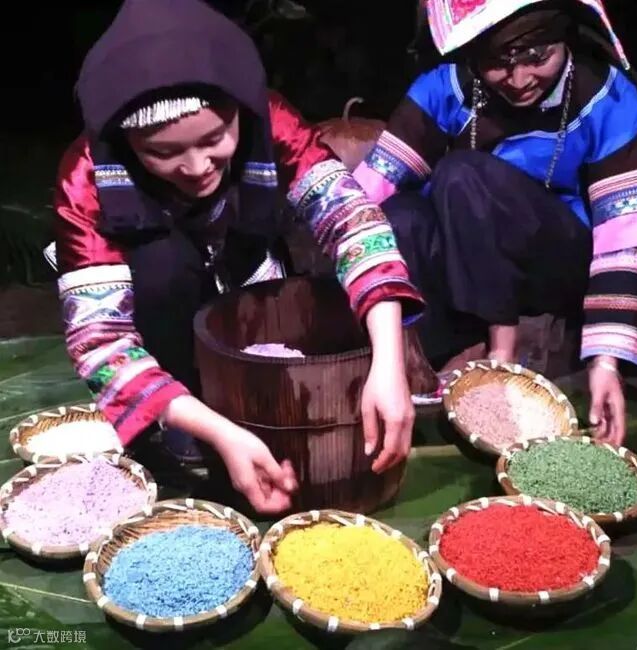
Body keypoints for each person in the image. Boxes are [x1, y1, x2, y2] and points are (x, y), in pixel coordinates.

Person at [52, 0, 425, 514]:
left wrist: (388, 361)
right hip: (159, 307)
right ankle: (184, 408)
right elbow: (101, 341)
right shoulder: (88, 175)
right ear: (125, 139)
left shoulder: (267, 120)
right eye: (162, 152)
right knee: (162, 265)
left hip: (246, 278)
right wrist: (220, 432)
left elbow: (352, 220)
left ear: (238, 111)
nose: (196, 167)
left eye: (213, 139)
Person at [353, 0, 637, 446]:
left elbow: (623, 237)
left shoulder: (608, 98)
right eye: (498, 63)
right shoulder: (448, 87)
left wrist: (605, 363)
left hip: (556, 261)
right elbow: (370, 191)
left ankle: (501, 359)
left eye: (537, 57)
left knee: (462, 174)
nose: (520, 79)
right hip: (473, 260)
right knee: (400, 217)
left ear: (565, 40)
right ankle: (417, 364)